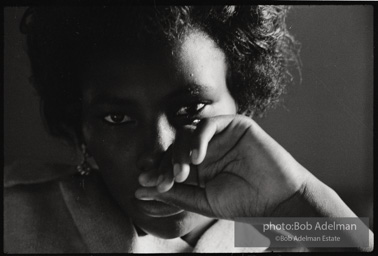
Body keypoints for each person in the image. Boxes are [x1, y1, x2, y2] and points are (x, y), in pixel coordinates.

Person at [4, 5, 373, 253]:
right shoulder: (17, 215)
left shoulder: (268, 231)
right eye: (117, 119)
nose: (160, 149)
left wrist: (293, 199)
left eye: (190, 110)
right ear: (81, 130)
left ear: (241, 105)